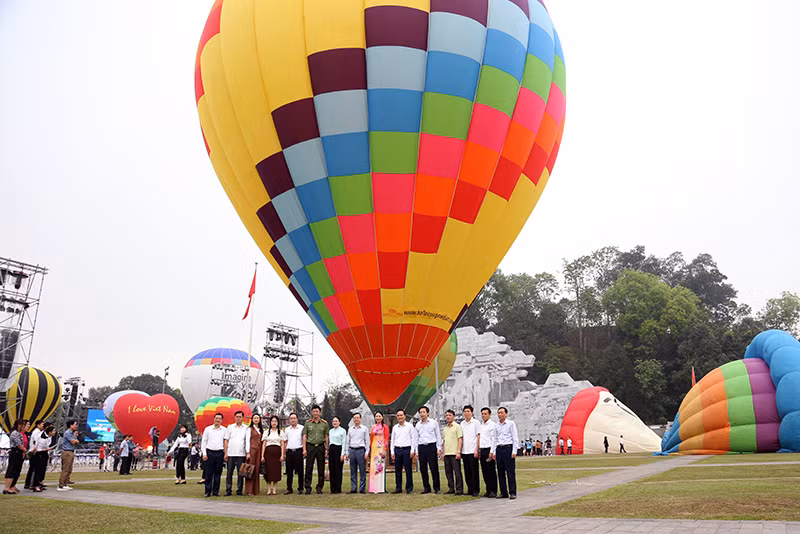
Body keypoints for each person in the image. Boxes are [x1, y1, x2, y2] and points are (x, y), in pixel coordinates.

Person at [302, 404, 329, 495]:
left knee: (321, 468)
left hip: (321, 446)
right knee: (309, 467)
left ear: (320, 412)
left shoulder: (324, 423)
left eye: (317, 411)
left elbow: (326, 436)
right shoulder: (308, 423)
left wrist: (326, 449)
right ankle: (308, 487)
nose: (315, 413)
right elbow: (305, 436)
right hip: (310, 446)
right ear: (312, 413)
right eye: (314, 411)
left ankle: (319, 487)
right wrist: (304, 449)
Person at [415, 405, 441, 494]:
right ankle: (426, 487)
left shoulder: (434, 423)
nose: (422, 414)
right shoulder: (418, 425)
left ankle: (437, 487)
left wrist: (439, 448)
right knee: (423, 468)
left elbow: (438, 435)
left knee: (434, 468)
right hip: (421, 447)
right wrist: (416, 451)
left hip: (431, 446)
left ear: (428, 413)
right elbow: (416, 438)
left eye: (423, 412)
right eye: (420, 412)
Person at [390, 408, 417, 494]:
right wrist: (392, 452)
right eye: (398, 416)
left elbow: (413, 438)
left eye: (401, 415)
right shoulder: (395, 427)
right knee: (397, 470)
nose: (399, 417)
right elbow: (392, 440)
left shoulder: (409, 426)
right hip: (397, 449)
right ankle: (398, 488)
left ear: (404, 416)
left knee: (408, 470)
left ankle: (409, 488)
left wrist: (412, 450)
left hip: (406, 449)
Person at [224, 410, 250, 496]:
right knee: (229, 473)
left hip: (241, 453)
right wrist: (226, 453)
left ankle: (239, 490)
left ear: (243, 418)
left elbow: (247, 441)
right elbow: (226, 440)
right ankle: (228, 490)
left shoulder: (246, 428)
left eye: (240, 417)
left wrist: (247, 452)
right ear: (234, 418)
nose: (238, 418)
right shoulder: (230, 427)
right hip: (231, 453)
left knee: (241, 473)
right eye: (237, 417)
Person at [495, 406, 518, 500]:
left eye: (502, 413)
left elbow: (515, 438)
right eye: (498, 413)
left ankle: (512, 492)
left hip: (508, 448)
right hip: (499, 448)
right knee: (500, 472)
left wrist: (514, 451)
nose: (500, 415)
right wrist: (493, 451)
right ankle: (503, 492)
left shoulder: (511, 424)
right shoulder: (496, 425)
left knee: (510, 472)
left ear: (506, 414)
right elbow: (495, 439)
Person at [201, 412, 226, 497]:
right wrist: (204, 453)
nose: (217, 420)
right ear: (214, 419)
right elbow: (204, 442)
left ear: (222, 420)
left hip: (220, 453)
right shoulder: (208, 429)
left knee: (218, 473)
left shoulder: (224, 430)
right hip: (209, 452)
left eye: (219, 418)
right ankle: (207, 491)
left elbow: (226, 442)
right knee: (208, 473)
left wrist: (225, 453)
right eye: (216, 418)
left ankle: (216, 491)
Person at [262, 415, 286, 496]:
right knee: (268, 471)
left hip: (277, 453)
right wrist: (262, 456)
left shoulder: (281, 432)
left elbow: (282, 444)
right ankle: (268, 489)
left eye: (275, 421)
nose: (274, 423)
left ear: (277, 422)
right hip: (268, 453)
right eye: (272, 421)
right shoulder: (266, 432)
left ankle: (275, 489)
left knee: (276, 471)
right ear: (270, 422)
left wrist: (282, 455)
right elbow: (264, 444)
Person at [345, 413, 369, 494]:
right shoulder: (350, 429)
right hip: (352, 450)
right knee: (353, 470)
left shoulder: (364, 429)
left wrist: (367, 452)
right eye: (354, 418)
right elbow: (348, 441)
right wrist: (347, 452)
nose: (356, 419)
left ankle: (362, 488)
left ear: (360, 419)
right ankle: (353, 488)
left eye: (357, 418)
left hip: (361, 450)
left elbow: (367, 441)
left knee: (362, 470)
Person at [441, 409, 463, 495]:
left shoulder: (457, 426)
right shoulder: (445, 428)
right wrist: (443, 453)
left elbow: (460, 439)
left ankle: (459, 489)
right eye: (446, 415)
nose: (448, 417)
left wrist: (458, 451)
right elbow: (444, 441)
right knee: (448, 472)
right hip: (447, 453)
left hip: (454, 453)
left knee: (457, 472)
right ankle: (451, 488)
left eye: (449, 415)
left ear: (453, 416)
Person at [3, 419, 28, 494]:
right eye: (22, 425)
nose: (23, 427)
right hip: (15, 452)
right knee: (12, 470)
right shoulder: (15, 433)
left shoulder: (19, 433)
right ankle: (7, 488)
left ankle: (12, 486)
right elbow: (19, 444)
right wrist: (24, 450)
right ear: (19, 425)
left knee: (16, 470)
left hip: (19, 452)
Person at [460, 405, 480, 497]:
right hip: (465, 451)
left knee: (474, 471)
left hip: (472, 450)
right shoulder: (462, 424)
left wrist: (477, 449)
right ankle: (470, 489)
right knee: (467, 471)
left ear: (471, 412)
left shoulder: (476, 422)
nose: (466, 413)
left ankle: (476, 489)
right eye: (465, 411)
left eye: (468, 411)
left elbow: (478, 436)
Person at [478, 407, 497, 498]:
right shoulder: (480, 425)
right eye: (482, 414)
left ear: (489, 414)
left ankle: (493, 490)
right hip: (482, 449)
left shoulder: (492, 425)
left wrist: (492, 451)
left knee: (491, 471)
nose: (483, 415)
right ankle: (488, 489)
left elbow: (494, 439)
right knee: (484, 471)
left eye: (485, 414)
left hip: (489, 449)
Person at [368, 411, 389, 494]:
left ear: (382, 417)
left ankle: (381, 488)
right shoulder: (373, 427)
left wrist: (385, 449)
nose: (378, 418)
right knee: (373, 468)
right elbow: (371, 439)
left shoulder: (385, 427)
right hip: (374, 449)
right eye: (376, 416)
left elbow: (386, 438)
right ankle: (373, 488)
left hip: (381, 449)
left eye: (379, 416)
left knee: (380, 467)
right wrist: (370, 449)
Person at [283, 413, 304, 494]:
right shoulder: (287, 429)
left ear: (297, 419)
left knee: (300, 471)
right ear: (289, 420)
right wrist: (284, 453)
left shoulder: (301, 428)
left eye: (294, 418)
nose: (293, 420)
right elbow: (285, 441)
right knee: (289, 471)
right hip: (289, 451)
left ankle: (300, 488)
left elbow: (303, 439)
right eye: (291, 418)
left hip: (298, 450)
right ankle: (289, 488)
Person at [244, 414, 263, 496]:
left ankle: (255, 489)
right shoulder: (249, 429)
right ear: (252, 420)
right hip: (252, 450)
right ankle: (249, 490)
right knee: (250, 470)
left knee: (257, 470)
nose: (256, 419)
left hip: (259, 451)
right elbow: (247, 441)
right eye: (254, 418)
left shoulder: (260, 429)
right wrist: (247, 452)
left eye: (257, 418)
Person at [24, 420, 45, 489]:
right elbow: (35, 442)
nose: (43, 426)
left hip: (35, 451)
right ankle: (31, 483)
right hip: (34, 452)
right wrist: (34, 449)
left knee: (34, 468)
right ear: (38, 425)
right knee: (34, 469)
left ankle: (31, 483)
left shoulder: (39, 432)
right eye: (42, 424)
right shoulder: (36, 432)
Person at [58, 419, 79, 490]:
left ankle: (65, 483)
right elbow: (73, 442)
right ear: (71, 425)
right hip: (67, 452)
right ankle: (61, 484)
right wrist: (75, 441)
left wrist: (75, 441)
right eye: (75, 424)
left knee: (69, 469)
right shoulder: (67, 433)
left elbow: (76, 441)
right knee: (65, 469)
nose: (76, 426)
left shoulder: (72, 433)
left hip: (71, 451)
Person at [327, 416, 346, 494]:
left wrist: (342, 454)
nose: (334, 422)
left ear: (339, 422)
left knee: (338, 470)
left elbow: (344, 442)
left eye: (336, 421)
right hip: (332, 450)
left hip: (339, 449)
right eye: (333, 421)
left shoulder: (343, 431)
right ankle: (333, 489)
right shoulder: (330, 431)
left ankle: (338, 489)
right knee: (332, 469)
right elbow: (329, 442)